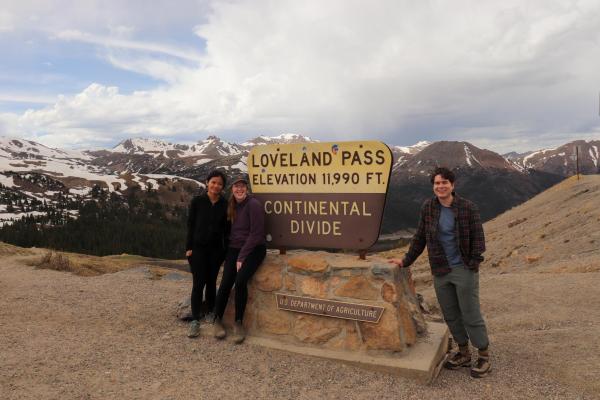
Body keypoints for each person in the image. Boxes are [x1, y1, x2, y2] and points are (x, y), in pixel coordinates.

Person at [389, 167, 491, 378]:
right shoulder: (429, 207)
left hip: (463, 269)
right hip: (440, 269)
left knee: (470, 313)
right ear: (433, 186)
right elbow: (420, 237)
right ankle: (463, 352)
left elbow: (479, 240)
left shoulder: (467, 207)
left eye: (444, 182)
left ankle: (483, 355)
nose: (440, 186)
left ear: (453, 185)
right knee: (451, 314)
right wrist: (405, 260)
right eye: (436, 183)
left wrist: (472, 263)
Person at [213, 174, 266, 344]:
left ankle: (238, 323)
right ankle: (217, 320)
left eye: (242, 186)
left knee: (241, 280)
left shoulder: (254, 205)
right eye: (236, 186)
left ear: (247, 188)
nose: (239, 189)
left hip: (255, 249)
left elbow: (256, 234)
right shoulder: (232, 205)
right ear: (232, 189)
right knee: (226, 282)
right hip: (235, 248)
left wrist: (242, 256)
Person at [185, 170, 229, 338]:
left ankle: (210, 312)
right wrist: (188, 247)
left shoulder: (225, 204)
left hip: (216, 251)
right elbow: (190, 224)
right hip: (198, 249)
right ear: (207, 183)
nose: (216, 186)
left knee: (211, 283)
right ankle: (195, 320)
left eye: (219, 184)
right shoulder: (198, 201)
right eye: (213, 182)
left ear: (222, 187)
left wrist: (225, 251)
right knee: (198, 283)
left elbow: (227, 230)